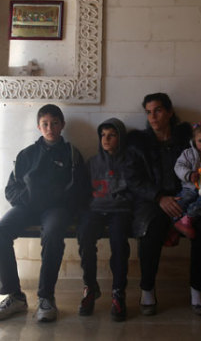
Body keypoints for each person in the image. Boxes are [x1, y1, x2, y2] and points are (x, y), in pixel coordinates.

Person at [127, 93, 201, 316]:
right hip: (154, 200)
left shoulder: (188, 139)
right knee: (150, 230)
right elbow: (134, 178)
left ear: (170, 112)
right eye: (149, 112)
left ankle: (198, 289)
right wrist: (159, 198)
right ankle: (147, 289)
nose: (153, 116)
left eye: (158, 110)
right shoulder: (139, 143)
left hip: (188, 196)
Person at [0, 104, 87, 323]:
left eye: (54, 123)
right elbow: (11, 189)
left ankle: (46, 298)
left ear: (62, 125)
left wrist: (60, 202)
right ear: (38, 126)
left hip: (56, 210)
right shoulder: (27, 154)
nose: (50, 128)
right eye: (45, 124)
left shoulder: (71, 153)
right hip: (26, 208)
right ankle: (15, 296)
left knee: (53, 234)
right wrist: (26, 200)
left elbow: (79, 188)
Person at [76, 118, 146, 322]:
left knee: (119, 242)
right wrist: (85, 209)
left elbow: (137, 189)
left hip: (120, 210)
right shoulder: (93, 162)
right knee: (84, 235)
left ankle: (118, 292)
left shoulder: (130, 161)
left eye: (111, 135)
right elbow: (84, 192)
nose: (106, 139)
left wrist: (129, 204)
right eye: (103, 135)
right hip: (96, 209)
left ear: (120, 138)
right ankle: (90, 287)